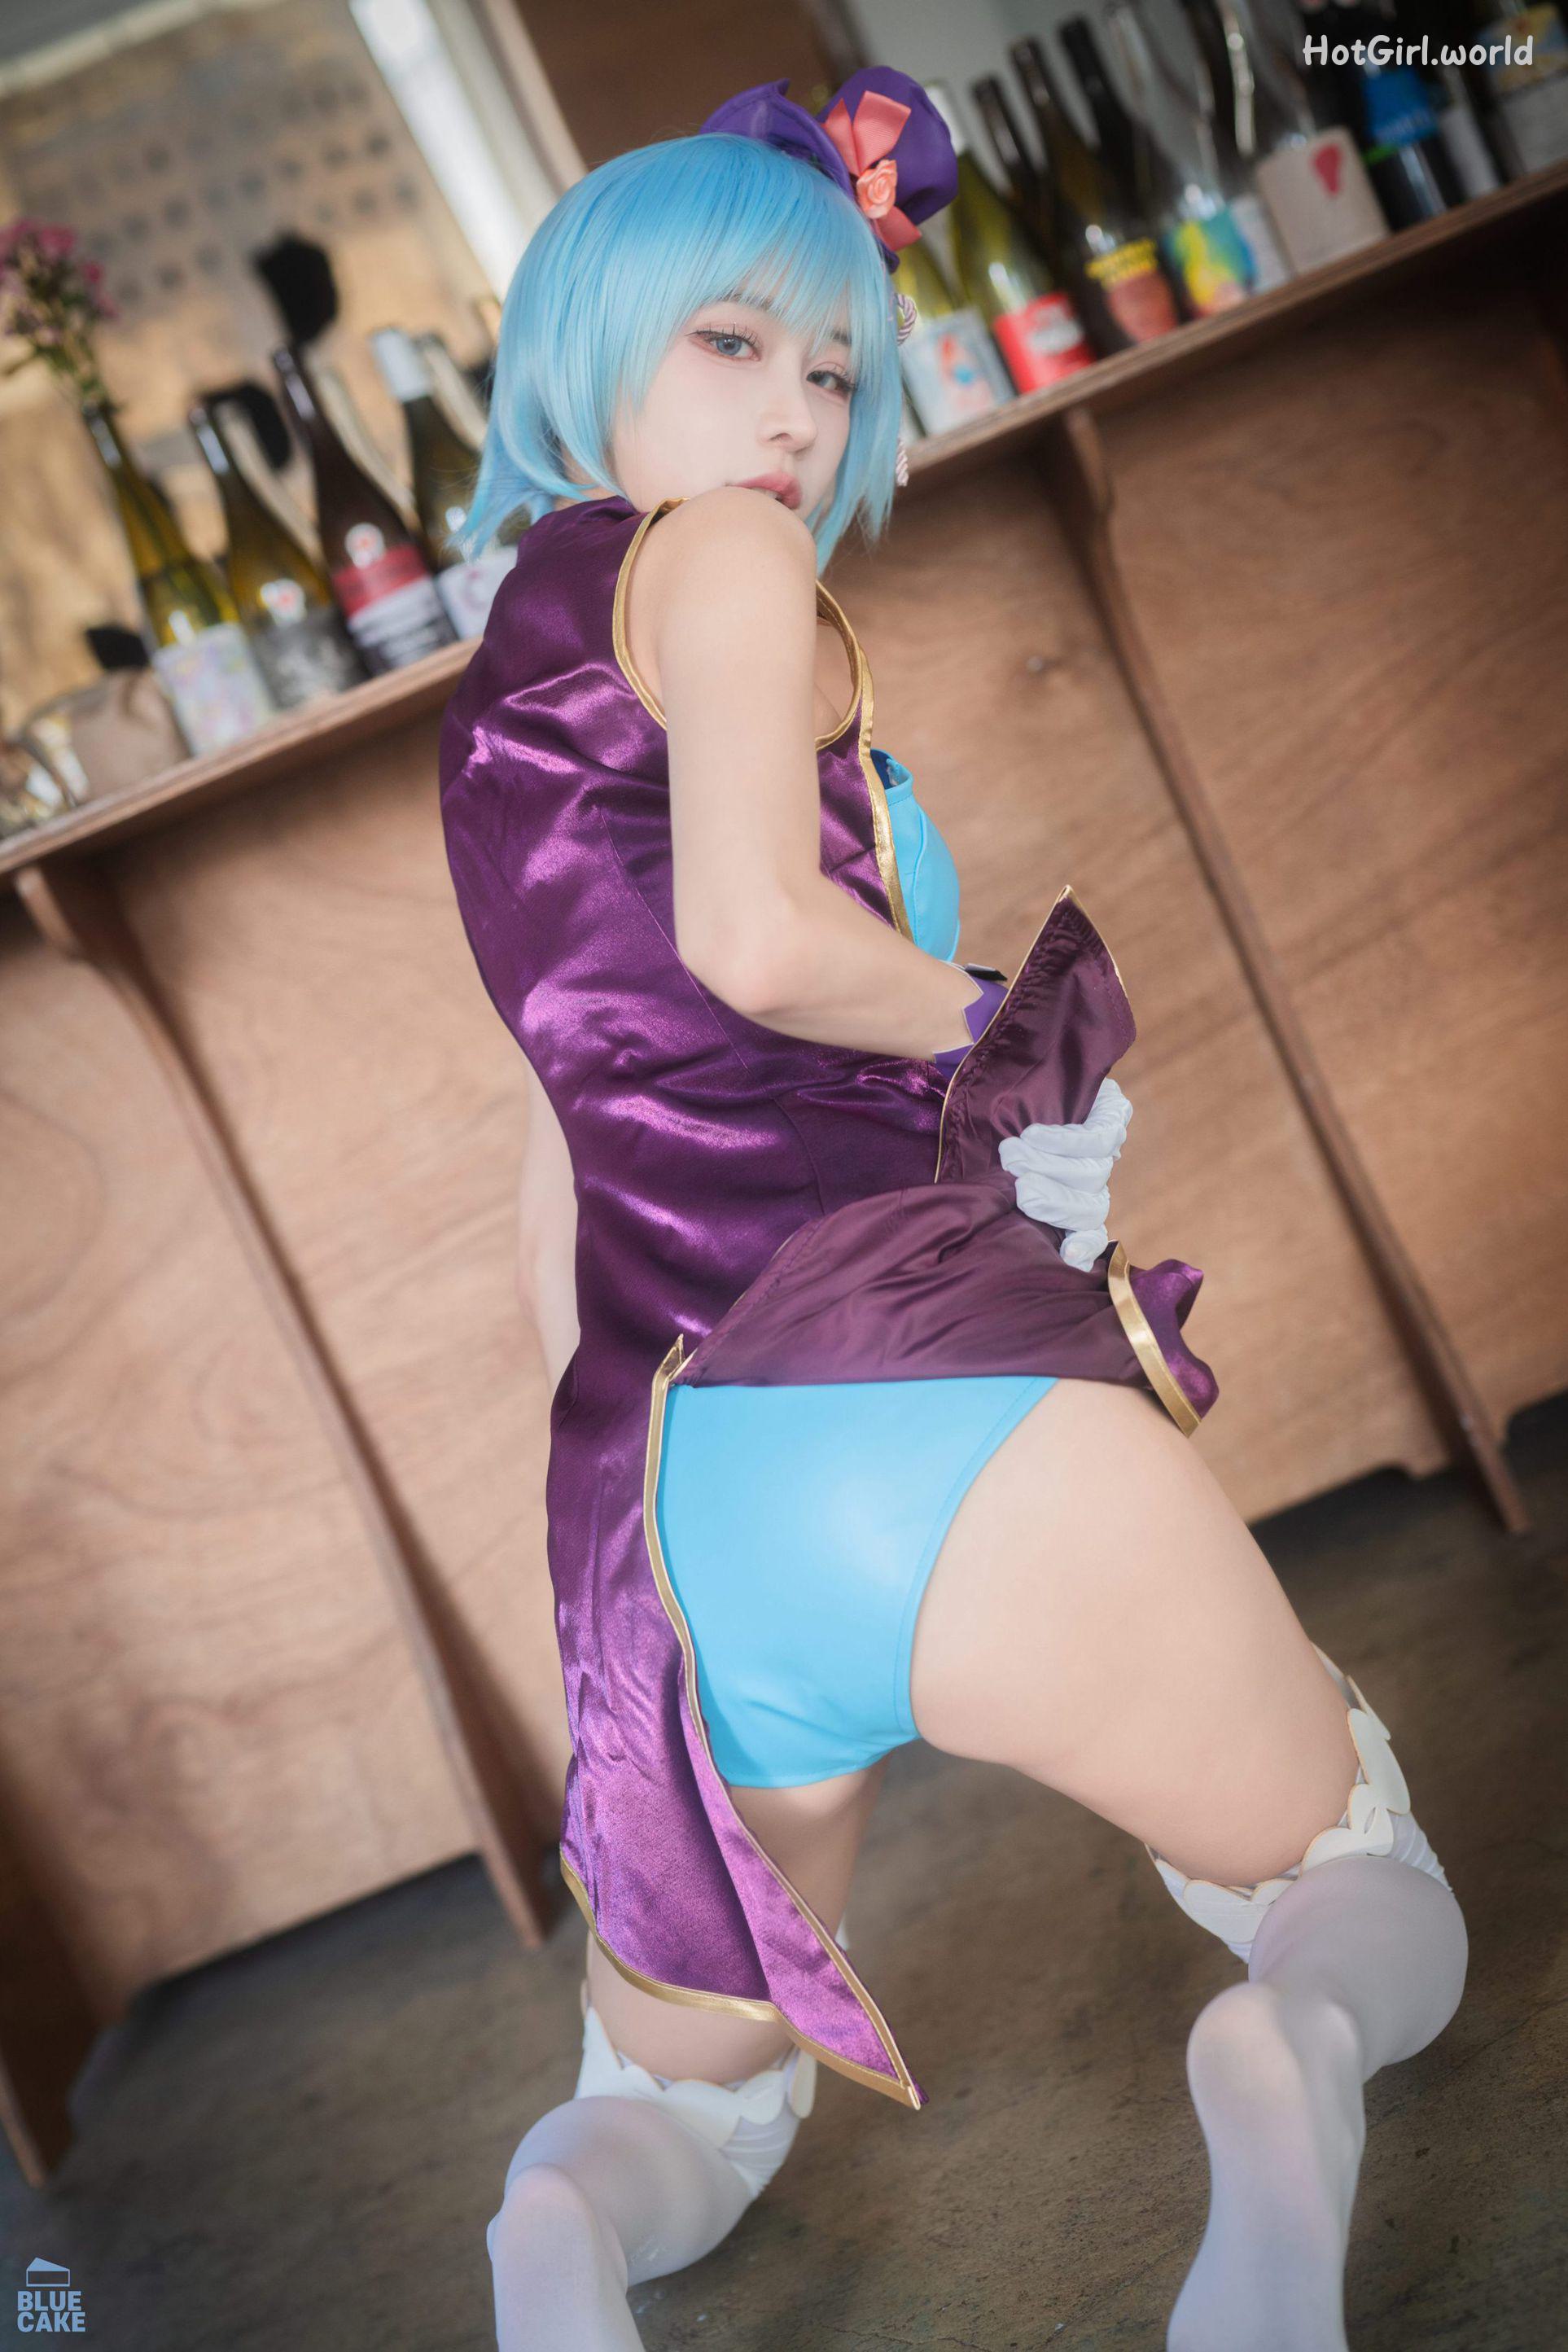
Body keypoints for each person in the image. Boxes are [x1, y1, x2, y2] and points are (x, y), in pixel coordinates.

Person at [437, 68, 1468, 2352]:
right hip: (920, 1397)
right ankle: (1281, 2059)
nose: (796, 413)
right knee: (1348, 1882)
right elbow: (756, 942)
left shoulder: (511, 669)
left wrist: (645, 1493)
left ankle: (557, 2239)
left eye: (835, 365)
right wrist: (1001, 1026)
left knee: (676, 2105)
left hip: (683, 1495)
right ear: (589, 337)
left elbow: (560, 1164)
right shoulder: (725, 561)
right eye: (734, 341)